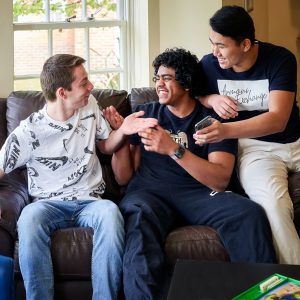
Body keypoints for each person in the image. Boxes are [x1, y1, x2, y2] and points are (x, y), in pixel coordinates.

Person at [108, 47, 276, 300]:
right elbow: (122, 178)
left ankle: (263, 297)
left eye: (167, 78)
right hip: (149, 194)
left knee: (248, 213)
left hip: (198, 193)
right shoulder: (146, 114)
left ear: (186, 83)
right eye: (157, 78)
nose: (159, 84)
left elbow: (220, 178)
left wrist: (173, 149)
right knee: (138, 215)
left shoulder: (211, 120)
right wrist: (122, 134)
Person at [0, 54, 157, 300]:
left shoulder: (89, 105)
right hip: (46, 204)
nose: (91, 87)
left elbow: (105, 146)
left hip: (91, 201)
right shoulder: (29, 131)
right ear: (62, 92)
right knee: (28, 218)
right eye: (84, 83)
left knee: (111, 213)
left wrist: (123, 130)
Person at [196, 5, 300, 265]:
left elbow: (278, 119)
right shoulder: (209, 64)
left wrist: (225, 130)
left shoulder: (280, 59)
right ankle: (293, 284)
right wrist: (212, 98)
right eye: (212, 43)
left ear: (245, 44)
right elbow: (193, 93)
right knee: (275, 208)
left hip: (295, 141)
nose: (214, 51)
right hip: (255, 151)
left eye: (221, 45)